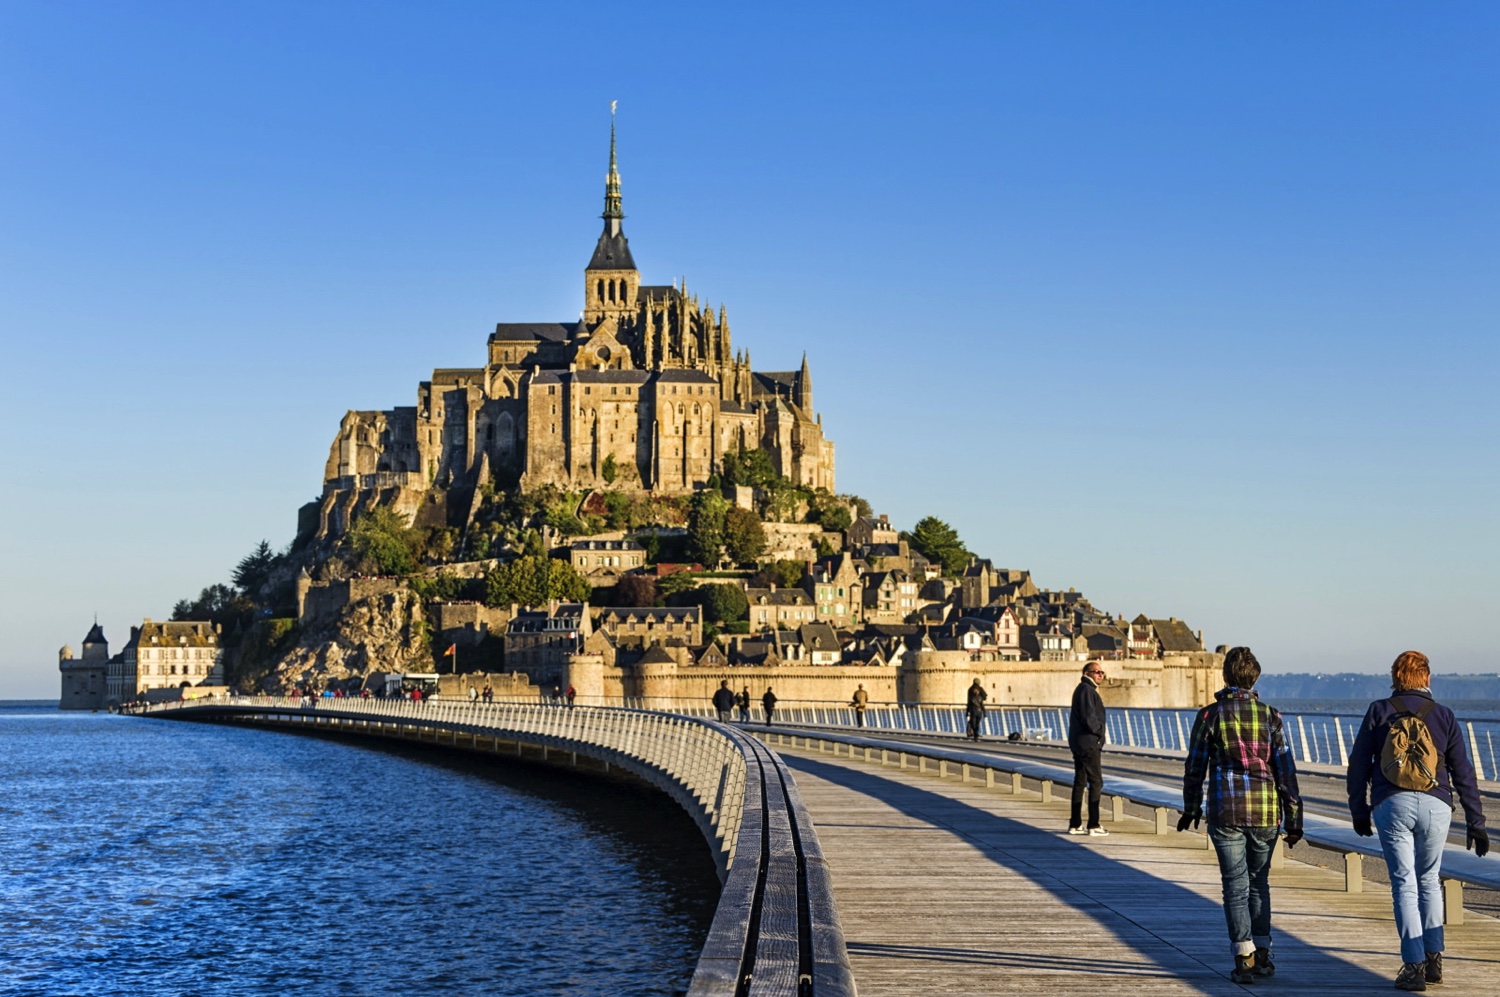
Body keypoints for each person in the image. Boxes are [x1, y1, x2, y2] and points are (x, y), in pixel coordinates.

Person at [1348, 650, 1488, 992]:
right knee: (1429, 879)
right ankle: (1434, 958)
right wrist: (1476, 822)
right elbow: (1463, 772)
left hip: (1391, 803)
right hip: (1436, 804)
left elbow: (1358, 765)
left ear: (1395, 677)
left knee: (1404, 883)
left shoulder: (1379, 711)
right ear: (1427, 677)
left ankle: (1413, 968)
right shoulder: (1443, 715)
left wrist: (1359, 811)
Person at [1180, 646, 1303, 984]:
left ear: (1225, 676)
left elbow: (1194, 768)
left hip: (1226, 810)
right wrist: (1294, 819)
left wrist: (1191, 807)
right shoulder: (1271, 716)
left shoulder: (1209, 716)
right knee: (1259, 882)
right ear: (1255, 678)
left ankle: (1243, 958)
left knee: (1235, 885)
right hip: (1265, 811)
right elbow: (1285, 771)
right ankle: (1263, 955)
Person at [1067, 661, 1108, 837]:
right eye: (1096, 672)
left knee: (1080, 781)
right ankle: (1093, 824)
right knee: (1096, 782)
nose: (1100, 675)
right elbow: (1088, 717)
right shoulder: (1086, 690)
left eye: (1102, 672)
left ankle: (1075, 824)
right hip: (1088, 744)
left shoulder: (1085, 690)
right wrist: (1099, 732)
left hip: (1081, 742)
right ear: (1086, 673)